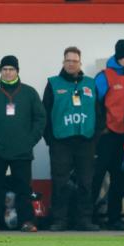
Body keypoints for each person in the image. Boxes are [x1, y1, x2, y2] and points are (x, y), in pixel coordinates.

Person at [0, 55, 46, 232]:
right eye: (4, 69)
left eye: (11, 69)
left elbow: (40, 118)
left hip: (22, 150)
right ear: (0, 71)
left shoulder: (29, 93)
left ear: (17, 71)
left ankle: (27, 222)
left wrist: (30, 141)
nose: (8, 72)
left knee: (24, 188)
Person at [43, 47, 100, 231]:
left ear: (80, 63)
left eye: (74, 61)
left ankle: (84, 219)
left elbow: (100, 113)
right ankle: (60, 220)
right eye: (68, 60)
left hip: (85, 141)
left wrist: (94, 138)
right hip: (61, 142)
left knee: (85, 182)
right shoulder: (53, 84)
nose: (71, 64)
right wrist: (50, 139)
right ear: (63, 62)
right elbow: (45, 113)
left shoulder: (91, 84)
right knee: (60, 182)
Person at [92, 39, 124, 230]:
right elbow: (94, 103)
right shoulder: (105, 76)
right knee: (97, 177)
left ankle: (114, 219)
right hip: (107, 136)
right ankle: (86, 216)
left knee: (120, 179)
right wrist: (100, 127)